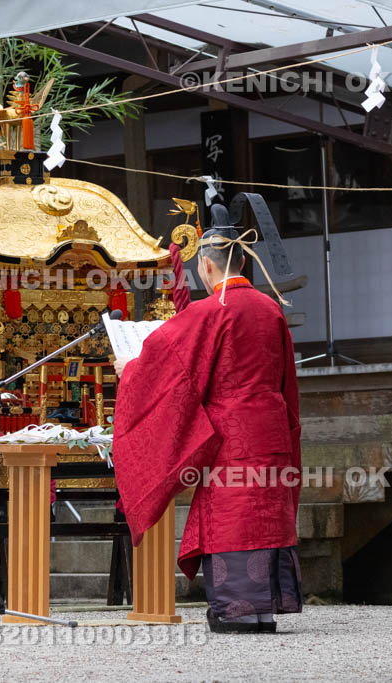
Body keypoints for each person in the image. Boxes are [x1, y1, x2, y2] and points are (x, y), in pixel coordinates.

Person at [111, 225, 302, 634]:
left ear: (207, 265)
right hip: (271, 425)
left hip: (231, 431)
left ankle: (238, 612)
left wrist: (130, 371)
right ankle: (264, 611)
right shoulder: (271, 309)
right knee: (263, 511)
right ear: (244, 262)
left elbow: (172, 370)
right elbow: (287, 379)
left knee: (234, 515)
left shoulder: (210, 311)